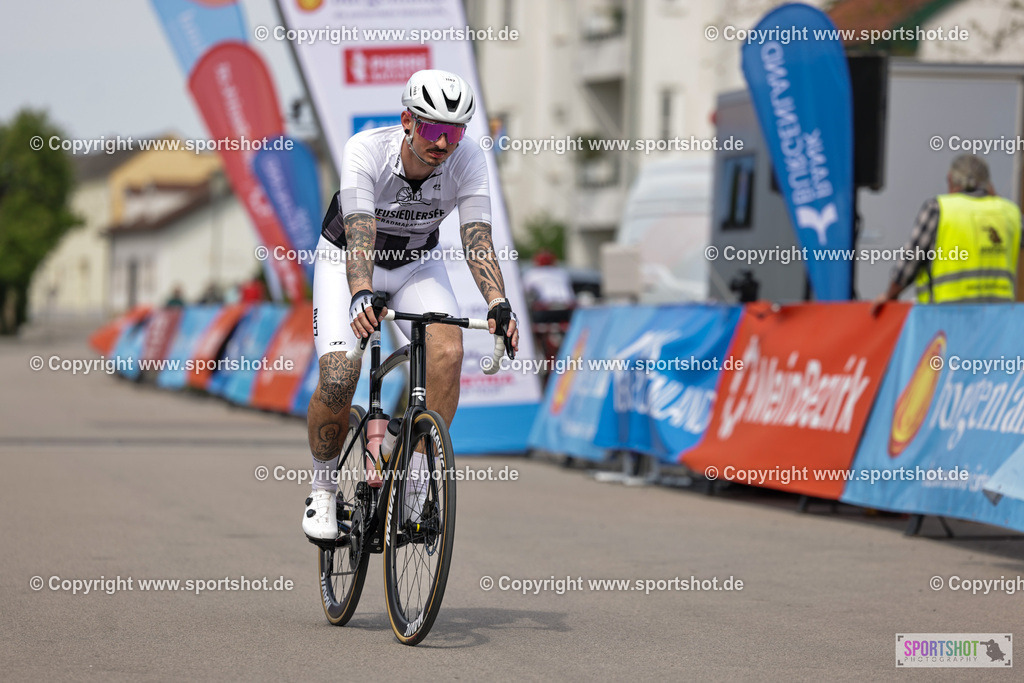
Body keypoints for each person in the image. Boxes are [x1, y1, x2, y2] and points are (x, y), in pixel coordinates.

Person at [302, 69, 520, 541]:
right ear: (407, 121)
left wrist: (498, 301)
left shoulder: (468, 163)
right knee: (340, 374)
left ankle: (415, 490)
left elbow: (477, 238)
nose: (444, 144)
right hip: (348, 261)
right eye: (434, 130)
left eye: (455, 132)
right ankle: (321, 490)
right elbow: (360, 231)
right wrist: (361, 293)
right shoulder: (366, 150)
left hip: (414, 265)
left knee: (448, 352)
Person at [872, 154, 1022, 312]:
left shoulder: (938, 209)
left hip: (946, 320)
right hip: (998, 322)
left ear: (951, 179)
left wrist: (890, 295)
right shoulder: (1010, 213)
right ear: (988, 183)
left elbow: (910, 262)